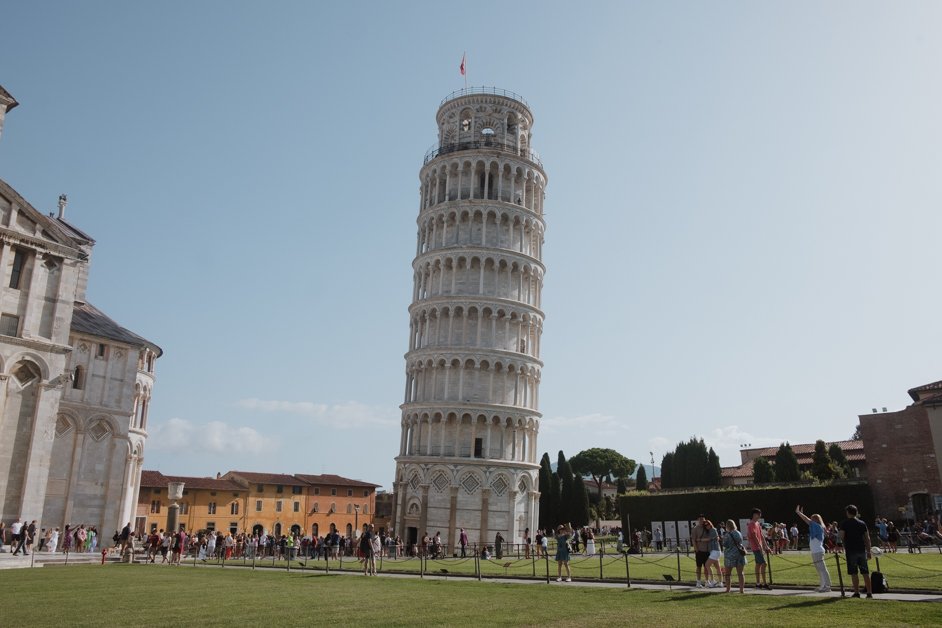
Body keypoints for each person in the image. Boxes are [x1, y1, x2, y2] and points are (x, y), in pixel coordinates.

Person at [839, 504, 873, 598]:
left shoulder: (844, 523)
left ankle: (857, 592)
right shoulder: (862, 523)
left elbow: (841, 536)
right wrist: (869, 551)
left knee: (854, 573)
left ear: (847, 513)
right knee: (865, 572)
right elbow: (867, 538)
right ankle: (869, 592)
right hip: (861, 550)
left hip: (851, 550)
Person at [795, 505, 831, 592]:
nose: (810, 520)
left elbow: (806, 520)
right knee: (819, 569)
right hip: (816, 551)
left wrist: (799, 513)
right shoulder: (818, 526)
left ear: (815, 520)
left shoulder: (817, 526)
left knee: (822, 569)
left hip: (818, 551)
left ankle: (827, 586)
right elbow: (807, 520)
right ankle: (822, 586)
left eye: (812, 518)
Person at [746, 508, 771, 590]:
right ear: (754, 514)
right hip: (756, 547)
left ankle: (758, 583)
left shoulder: (757, 524)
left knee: (758, 564)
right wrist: (759, 546)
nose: (760, 516)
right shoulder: (751, 524)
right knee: (764, 563)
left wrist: (766, 546)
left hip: (758, 546)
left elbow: (761, 535)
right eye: (758, 514)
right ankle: (764, 583)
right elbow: (754, 535)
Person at [722, 519, 747, 593]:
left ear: (727, 526)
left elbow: (725, 544)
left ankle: (728, 589)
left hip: (730, 555)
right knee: (741, 573)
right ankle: (741, 590)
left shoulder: (727, 535)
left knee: (728, 574)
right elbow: (740, 542)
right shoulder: (738, 533)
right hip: (739, 554)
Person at [691, 514, 711, 588]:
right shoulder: (695, 529)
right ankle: (698, 582)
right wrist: (696, 550)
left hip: (707, 550)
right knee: (699, 567)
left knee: (706, 567)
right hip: (699, 550)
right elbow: (693, 540)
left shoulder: (707, 527)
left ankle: (707, 581)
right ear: (698, 520)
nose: (702, 521)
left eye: (703, 519)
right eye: (700, 519)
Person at [703, 519, 722, 588]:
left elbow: (710, 539)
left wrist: (699, 539)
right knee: (718, 567)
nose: (707, 526)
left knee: (707, 565)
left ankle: (713, 581)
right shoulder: (710, 531)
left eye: (708, 524)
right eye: (705, 525)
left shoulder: (713, 530)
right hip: (715, 551)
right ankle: (720, 582)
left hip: (715, 550)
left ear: (710, 524)